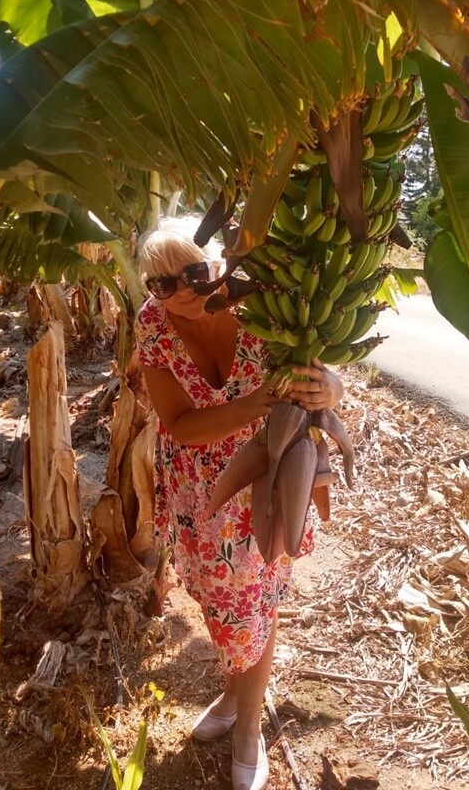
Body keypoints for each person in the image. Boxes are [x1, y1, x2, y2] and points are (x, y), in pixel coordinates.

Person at [135, 222, 344, 790]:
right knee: (219, 602)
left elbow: (323, 372)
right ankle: (233, 695)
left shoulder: (263, 302)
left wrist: (332, 388)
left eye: (195, 272)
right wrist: (254, 402)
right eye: (163, 283)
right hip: (197, 488)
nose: (184, 290)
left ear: (218, 266)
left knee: (254, 601)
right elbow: (179, 424)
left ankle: (248, 727)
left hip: (268, 474)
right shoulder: (153, 325)